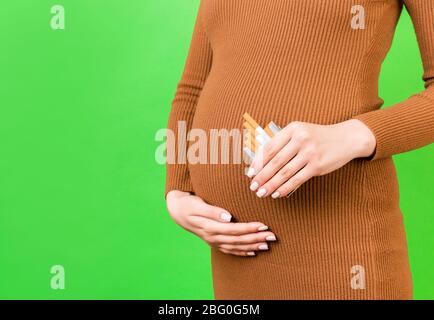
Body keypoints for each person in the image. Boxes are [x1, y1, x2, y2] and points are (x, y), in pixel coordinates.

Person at [165, 0, 434, 299]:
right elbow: (192, 88)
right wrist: (177, 189)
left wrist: (352, 135)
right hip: (236, 257)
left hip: (340, 249)